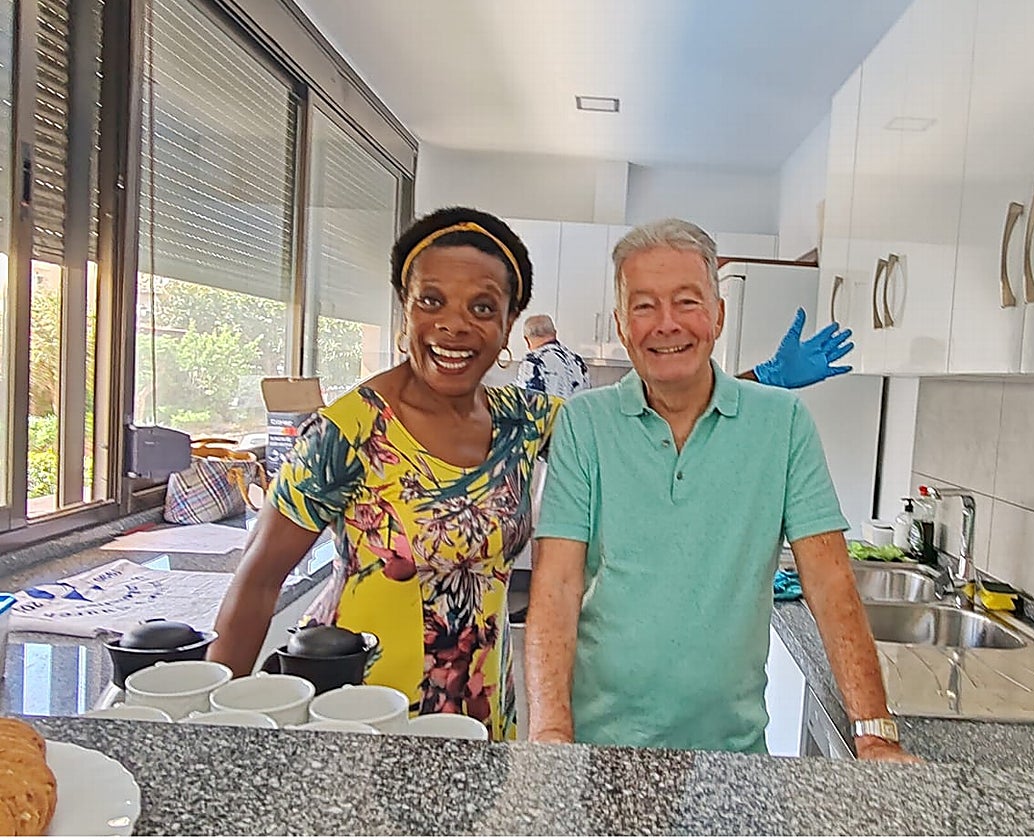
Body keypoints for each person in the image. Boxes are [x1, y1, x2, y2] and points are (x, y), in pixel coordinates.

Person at [207, 206, 852, 742]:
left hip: (483, 713)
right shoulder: (347, 430)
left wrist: (759, 381)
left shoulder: (522, 419)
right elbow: (259, 579)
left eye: (483, 308)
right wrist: (211, 724)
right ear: (405, 307)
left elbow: (646, 411)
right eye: (432, 301)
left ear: (509, 325)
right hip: (358, 709)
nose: (455, 325)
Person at [524, 218, 914, 761]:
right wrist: (549, 736)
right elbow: (556, 587)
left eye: (687, 302)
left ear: (718, 315)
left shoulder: (783, 425)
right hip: (600, 749)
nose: (666, 324)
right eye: (644, 306)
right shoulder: (584, 425)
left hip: (733, 755)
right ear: (620, 323)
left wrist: (874, 732)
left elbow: (829, 581)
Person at [513, 314, 590, 398]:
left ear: (526, 339)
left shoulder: (532, 362)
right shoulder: (577, 361)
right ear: (555, 333)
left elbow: (525, 403)